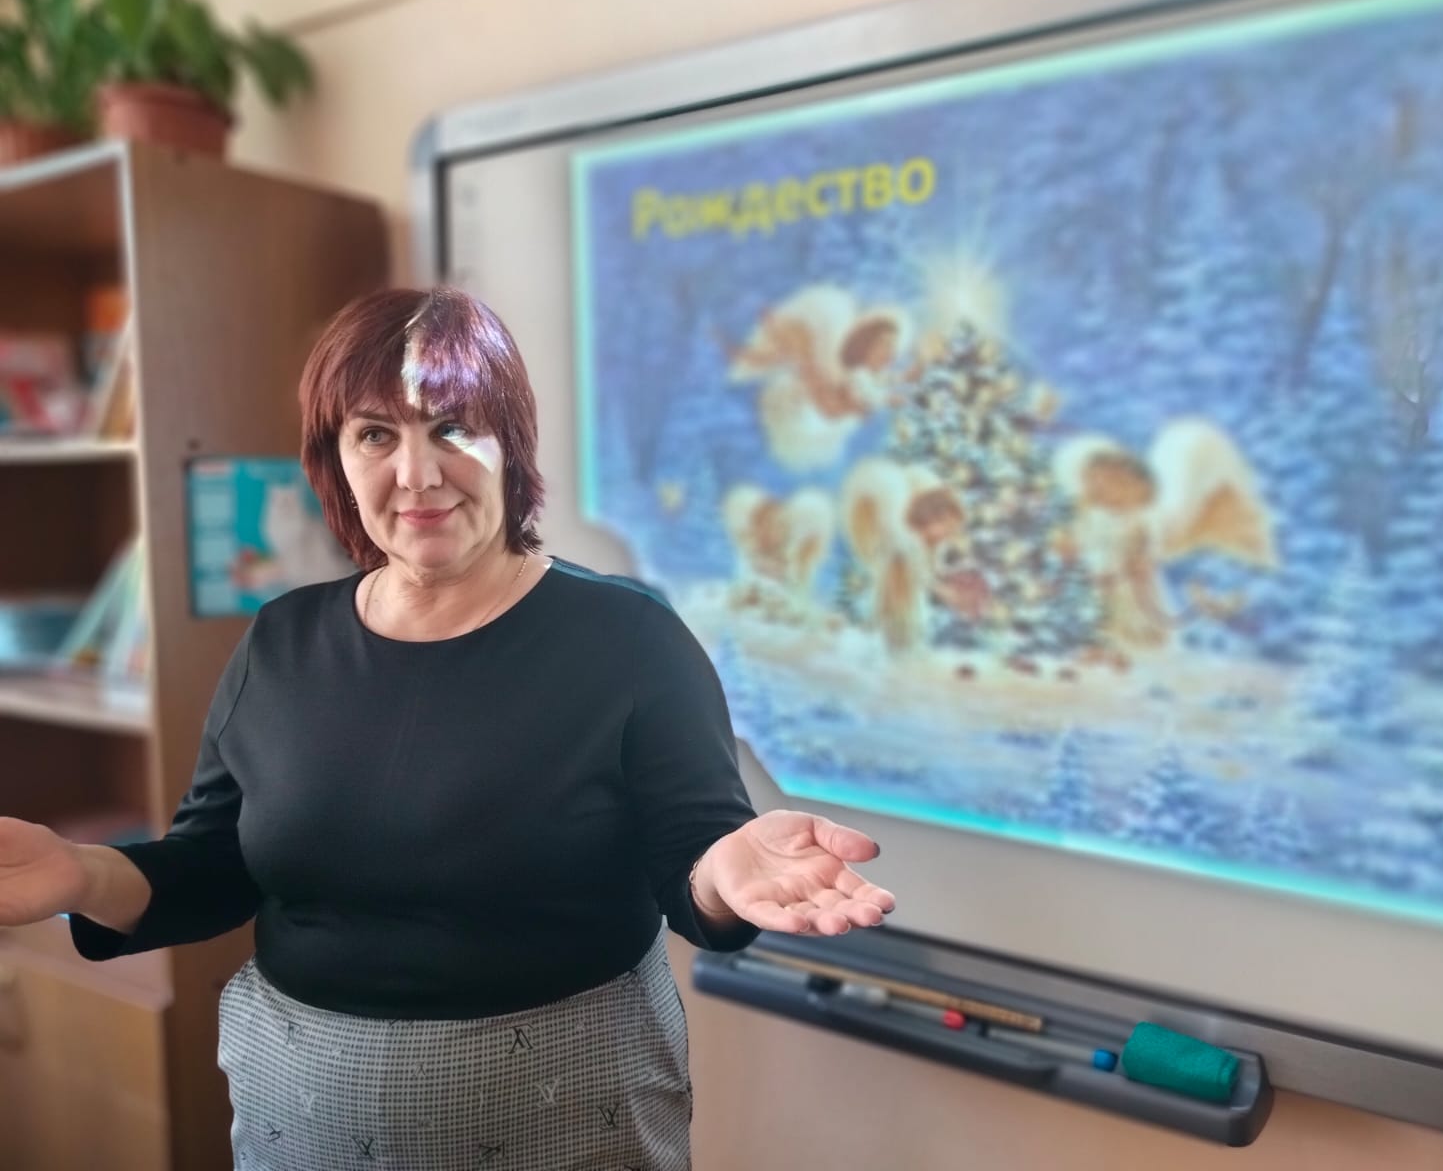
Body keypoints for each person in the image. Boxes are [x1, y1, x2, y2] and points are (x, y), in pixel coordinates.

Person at [0, 287, 895, 1170]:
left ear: (511, 444)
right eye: (375, 435)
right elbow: (212, 868)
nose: (417, 474)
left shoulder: (629, 638)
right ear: (335, 460)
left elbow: (692, 861)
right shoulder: (282, 640)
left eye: (453, 427)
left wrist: (726, 870)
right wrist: (82, 873)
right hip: (296, 1120)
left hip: (568, 1115)